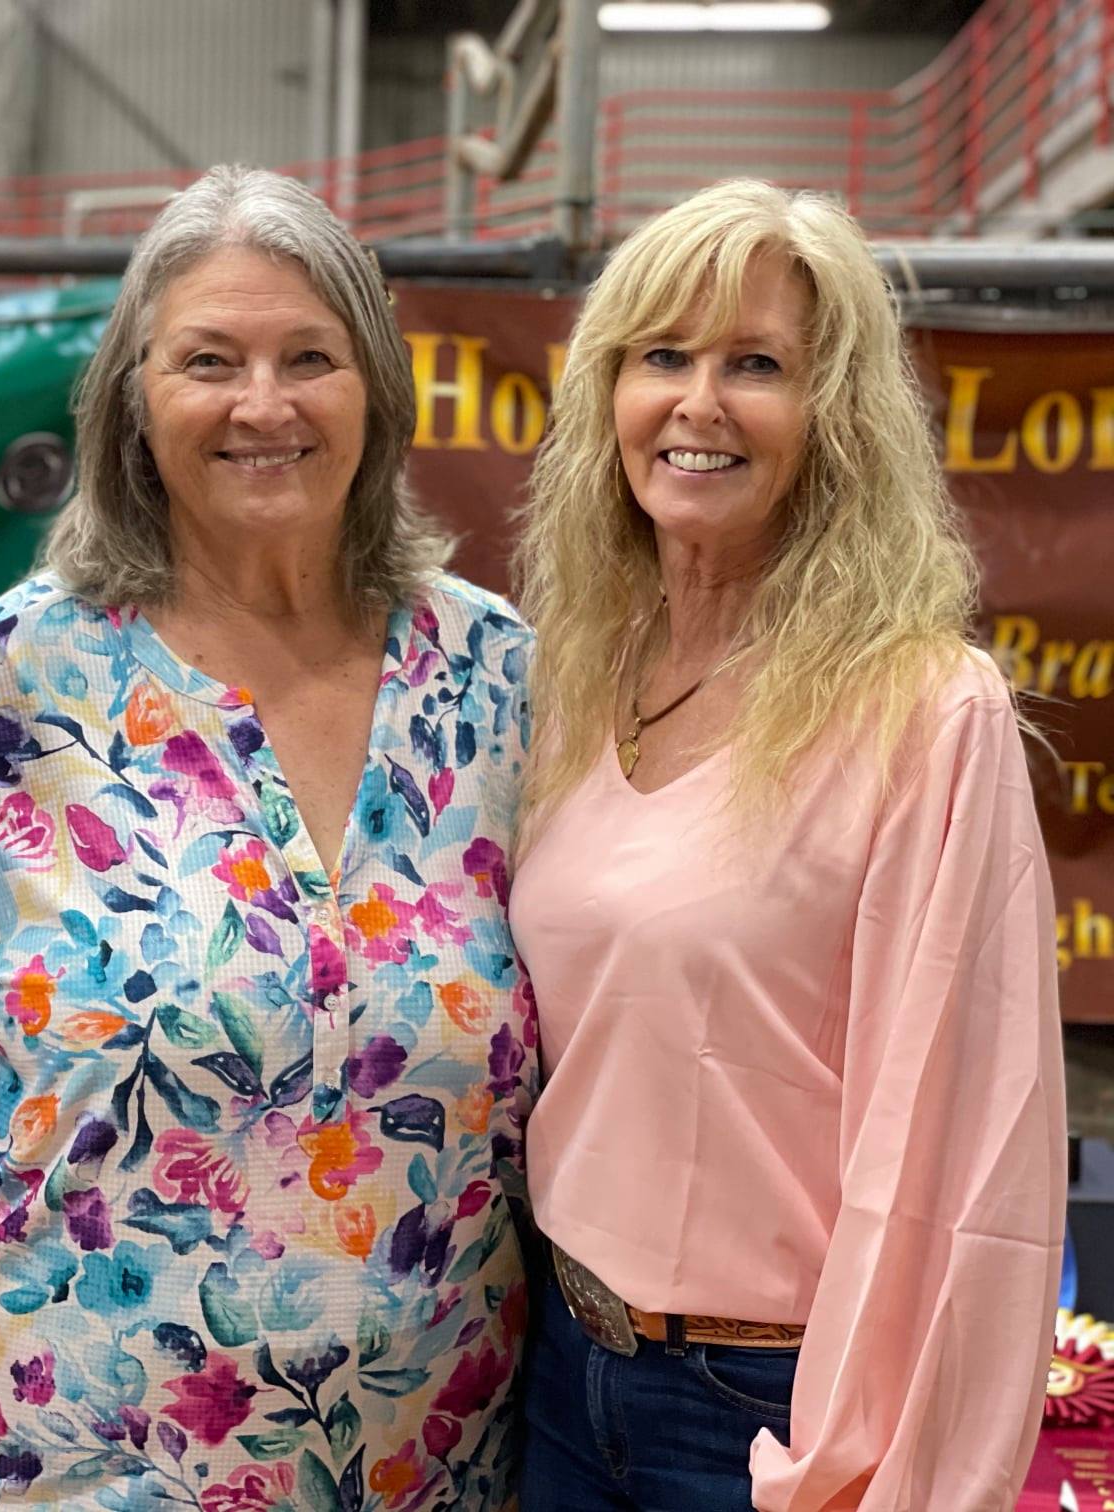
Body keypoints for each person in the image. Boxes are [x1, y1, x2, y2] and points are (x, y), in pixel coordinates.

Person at [0, 164, 538, 1511]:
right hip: (54, 1467)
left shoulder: (497, 684)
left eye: (312, 357)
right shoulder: (5, 693)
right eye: (209, 360)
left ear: (377, 393)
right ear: (134, 397)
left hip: (434, 1469)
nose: (264, 403)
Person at [510, 178, 1065, 1510]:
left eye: (756, 363)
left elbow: (963, 1155)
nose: (699, 403)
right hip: (554, 1375)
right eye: (662, 356)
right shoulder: (578, 674)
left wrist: (866, 1459)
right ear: (609, 395)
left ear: (838, 419)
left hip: (765, 1417)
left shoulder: (924, 711)